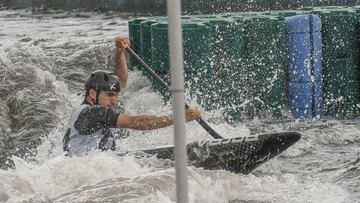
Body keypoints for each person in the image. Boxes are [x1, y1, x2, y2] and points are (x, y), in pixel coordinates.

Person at [63, 37, 201, 157]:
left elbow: (120, 82)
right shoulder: (93, 113)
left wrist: (119, 53)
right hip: (87, 171)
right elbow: (136, 122)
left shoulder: (85, 109)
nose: (114, 100)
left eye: (115, 95)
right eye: (110, 95)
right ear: (92, 93)